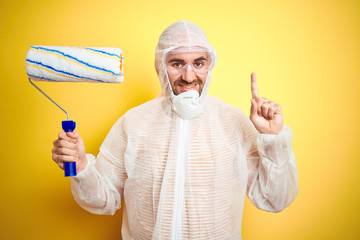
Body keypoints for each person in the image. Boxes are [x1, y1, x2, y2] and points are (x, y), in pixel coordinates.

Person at [52, 20, 298, 239]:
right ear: (161, 66)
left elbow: (275, 200)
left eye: (198, 63)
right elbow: (103, 200)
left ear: (209, 66)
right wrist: (82, 166)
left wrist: (272, 138)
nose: (189, 76)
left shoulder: (234, 122)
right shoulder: (133, 123)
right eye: (177, 63)